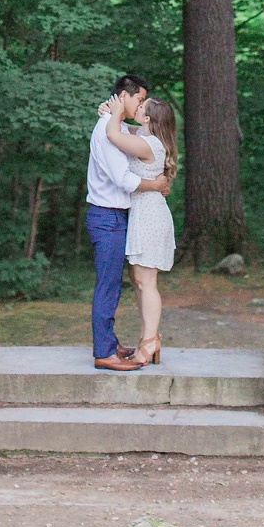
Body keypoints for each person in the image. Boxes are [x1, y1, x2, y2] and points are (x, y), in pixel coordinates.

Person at [86, 74, 170, 371]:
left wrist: (114, 113)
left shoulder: (119, 127)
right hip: (107, 215)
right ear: (124, 96)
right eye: (138, 99)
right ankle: (104, 352)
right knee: (108, 286)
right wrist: (155, 185)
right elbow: (123, 180)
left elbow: (134, 135)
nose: (140, 105)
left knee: (125, 283)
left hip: (123, 215)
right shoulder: (107, 129)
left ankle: (116, 343)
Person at [104, 93, 177, 367]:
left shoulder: (149, 145)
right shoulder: (147, 138)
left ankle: (150, 341)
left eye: (141, 106)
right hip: (143, 215)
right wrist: (109, 111)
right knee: (138, 279)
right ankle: (149, 337)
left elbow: (113, 134)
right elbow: (125, 129)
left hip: (149, 217)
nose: (136, 106)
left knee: (146, 282)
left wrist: (115, 112)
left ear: (147, 118)